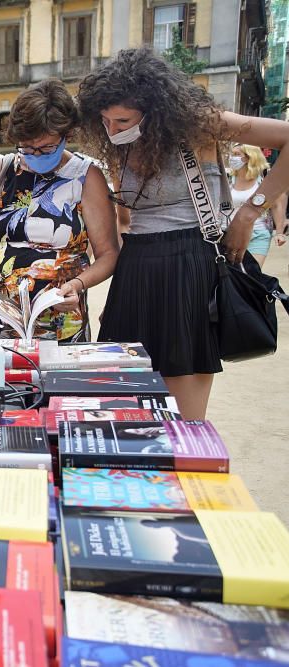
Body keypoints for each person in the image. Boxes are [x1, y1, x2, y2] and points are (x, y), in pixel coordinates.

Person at [76, 47, 289, 420]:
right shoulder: (120, 147)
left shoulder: (200, 124)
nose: (112, 130)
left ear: (154, 111)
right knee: (122, 403)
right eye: (106, 121)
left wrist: (250, 211)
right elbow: (127, 219)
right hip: (137, 265)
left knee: (183, 415)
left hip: (189, 261)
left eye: (123, 120)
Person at [0, 79, 119, 342]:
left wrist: (77, 285)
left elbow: (108, 254)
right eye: (28, 148)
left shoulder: (87, 177)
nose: (36, 154)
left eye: (46, 148)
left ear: (67, 136)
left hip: (61, 320)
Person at [228, 144, 287, 268]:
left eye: (237, 155)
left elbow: (276, 206)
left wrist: (279, 233)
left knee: (252, 274)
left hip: (259, 234)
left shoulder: (265, 178)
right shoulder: (228, 178)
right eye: (232, 154)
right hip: (230, 234)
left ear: (250, 157)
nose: (232, 158)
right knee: (234, 275)